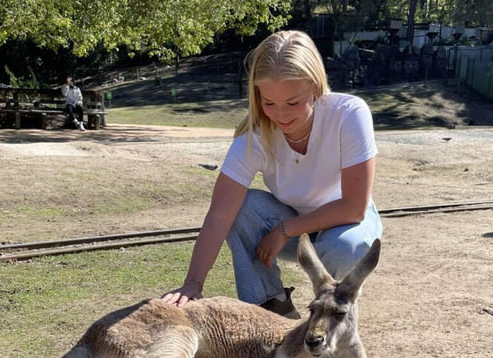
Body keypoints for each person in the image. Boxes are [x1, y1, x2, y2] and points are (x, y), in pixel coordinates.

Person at [162, 30, 382, 318]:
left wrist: (286, 230)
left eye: (292, 103)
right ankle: (271, 310)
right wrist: (192, 283)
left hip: (345, 223)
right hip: (291, 222)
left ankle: (332, 321)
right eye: (269, 103)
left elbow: (353, 208)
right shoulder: (253, 137)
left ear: (315, 87)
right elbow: (219, 216)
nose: (281, 115)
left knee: (345, 248)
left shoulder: (349, 114)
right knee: (239, 207)